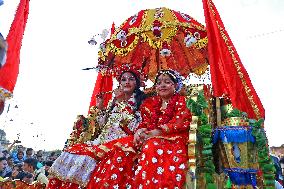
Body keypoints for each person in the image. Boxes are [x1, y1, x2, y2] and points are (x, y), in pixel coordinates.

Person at [87, 69, 192, 188]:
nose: (162, 85)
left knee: (151, 145)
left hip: (172, 138)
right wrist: (139, 131)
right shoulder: (150, 103)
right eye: (159, 83)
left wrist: (156, 132)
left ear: (176, 85)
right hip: (146, 136)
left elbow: (180, 121)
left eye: (167, 82)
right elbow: (144, 123)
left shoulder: (182, 101)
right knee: (125, 147)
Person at [47, 69, 145, 189]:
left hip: (121, 143)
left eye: (131, 79)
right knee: (72, 150)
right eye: (123, 79)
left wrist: (122, 103)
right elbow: (102, 125)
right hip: (100, 141)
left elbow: (135, 126)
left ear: (137, 83)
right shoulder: (113, 102)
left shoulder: (141, 102)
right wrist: (100, 108)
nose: (126, 82)